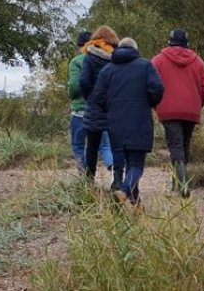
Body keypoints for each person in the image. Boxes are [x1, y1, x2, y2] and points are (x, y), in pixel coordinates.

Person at [91, 37, 164, 208]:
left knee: (120, 161)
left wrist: (109, 109)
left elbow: (98, 96)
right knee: (136, 164)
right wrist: (150, 102)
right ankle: (123, 191)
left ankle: (135, 203)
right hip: (139, 119)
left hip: (115, 121)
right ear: (135, 49)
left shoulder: (107, 70)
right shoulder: (145, 66)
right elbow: (157, 88)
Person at [151, 28, 204, 198]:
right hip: (191, 110)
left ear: (169, 41)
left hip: (168, 111)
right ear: (187, 43)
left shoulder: (158, 61)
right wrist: (196, 105)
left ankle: (182, 184)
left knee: (175, 146)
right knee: (184, 145)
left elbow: (151, 87)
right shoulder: (197, 61)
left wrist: (158, 105)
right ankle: (176, 183)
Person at [78, 25, 120, 186]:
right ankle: (116, 181)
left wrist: (91, 97)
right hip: (114, 106)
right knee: (116, 145)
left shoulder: (89, 56)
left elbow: (83, 81)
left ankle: (89, 181)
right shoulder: (116, 57)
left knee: (92, 146)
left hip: (94, 106)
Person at [67, 30, 92, 171]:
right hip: (102, 110)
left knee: (78, 144)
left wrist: (70, 93)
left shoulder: (77, 62)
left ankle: (84, 177)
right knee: (103, 145)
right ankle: (113, 171)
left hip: (80, 109)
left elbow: (74, 86)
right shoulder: (105, 59)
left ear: (80, 46)